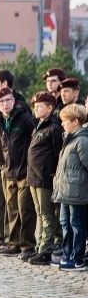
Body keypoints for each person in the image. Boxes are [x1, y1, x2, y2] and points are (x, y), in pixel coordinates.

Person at [0, 70, 30, 251]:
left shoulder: (18, 105)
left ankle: (11, 237)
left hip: (9, 162)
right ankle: (0, 235)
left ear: (4, 83)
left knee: (10, 202)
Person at [0, 87, 36, 259]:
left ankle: (28, 245)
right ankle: (14, 242)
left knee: (25, 209)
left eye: (8, 100)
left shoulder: (24, 118)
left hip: (25, 171)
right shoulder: (0, 121)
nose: (5, 103)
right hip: (9, 171)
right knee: (12, 209)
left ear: (14, 100)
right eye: (2, 101)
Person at [26, 91, 63, 265]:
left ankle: (45, 250)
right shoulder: (38, 125)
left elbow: (58, 154)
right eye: (35, 106)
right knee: (39, 213)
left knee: (47, 215)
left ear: (50, 108)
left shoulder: (54, 128)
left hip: (44, 177)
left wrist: (53, 175)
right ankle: (40, 246)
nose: (36, 108)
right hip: (33, 176)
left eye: (39, 106)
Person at [52, 103, 88, 271]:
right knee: (65, 223)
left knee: (76, 224)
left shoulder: (82, 141)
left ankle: (77, 258)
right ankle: (67, 254)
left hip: (77, 192)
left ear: (75, 121)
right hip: (65, 191)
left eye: (65, 120)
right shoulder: (69, 139)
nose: (62, 124)